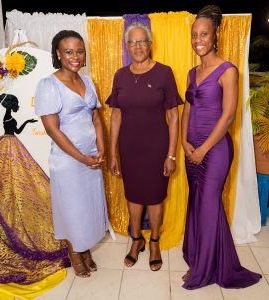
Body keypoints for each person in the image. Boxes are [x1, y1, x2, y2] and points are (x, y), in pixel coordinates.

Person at [181, 5, 262, 289]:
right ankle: (201, 258)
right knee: (199, 204)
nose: (198, 39)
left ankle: (202, 272)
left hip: (215, 151)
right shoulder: (192, 73)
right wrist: (184, 141)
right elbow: (187, 112)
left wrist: (203, 149)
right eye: (194, 35)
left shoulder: (228, 70)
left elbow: (228, 116)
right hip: (192, 148)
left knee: (207, 206)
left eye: (203, 34)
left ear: (215, 36)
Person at [106, 22, 183, 271]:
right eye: (132, 42)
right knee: (134, 196)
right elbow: (115, 116)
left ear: (150, 44)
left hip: (157, 148)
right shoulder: (120, 75)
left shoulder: (164, 72)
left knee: (156, 197)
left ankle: (155, 242)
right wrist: (112, 153)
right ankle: (137, 240)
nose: (137, 46)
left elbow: (173, 117)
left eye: (142, 41)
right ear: (126, 46)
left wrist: (171, 154)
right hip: (129, 149)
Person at [34, 30, 109, 278]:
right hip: (68, 161)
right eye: (69, 51)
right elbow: (53, 131)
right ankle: (75, 253)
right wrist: (83, 158)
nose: (75, 56)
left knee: (88, 206)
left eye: (79, 51)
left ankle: (84, 247)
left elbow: (96, 118)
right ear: (58, 53)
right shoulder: (48, 84)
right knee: (72, 208)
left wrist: (101, 148)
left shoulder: (87, 82)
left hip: (91, 157)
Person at [0, 93, 69, 284]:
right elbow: (12, 130)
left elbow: (16, 129)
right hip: (9, 147)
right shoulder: (7, 116)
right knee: (13, 178)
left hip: (12, 144)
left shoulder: (9, 116)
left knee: (21, 179)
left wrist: (27, 121)